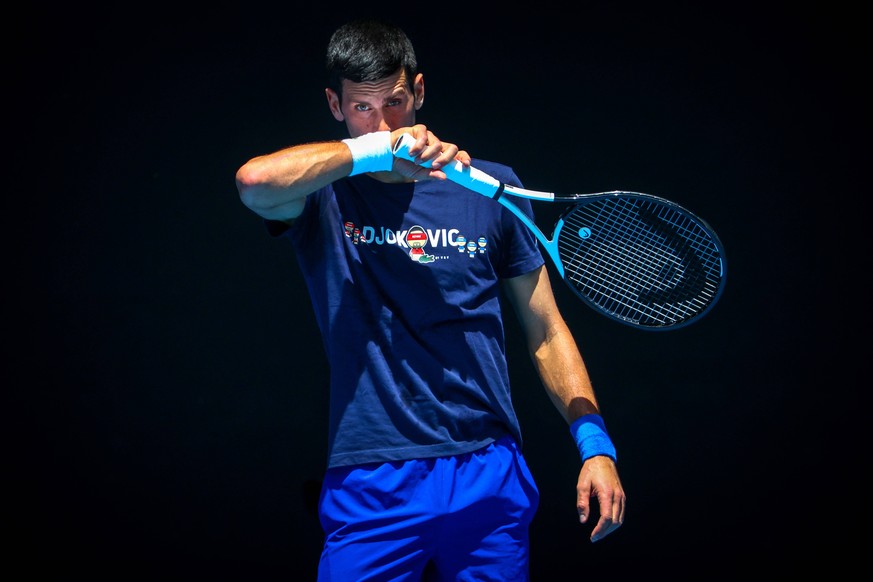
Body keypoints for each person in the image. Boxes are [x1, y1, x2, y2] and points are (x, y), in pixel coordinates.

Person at [235, 18, 625, 581]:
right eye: (362, 108)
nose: (384, 121)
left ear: (418, 90)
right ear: (335, 106)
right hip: (374, 479)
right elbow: (253, 183)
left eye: (393, 103)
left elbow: (547, 331)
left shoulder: (492, 188)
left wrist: (595, 444)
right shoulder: (323, 195)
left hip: (489, 472)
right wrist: (374, 152)